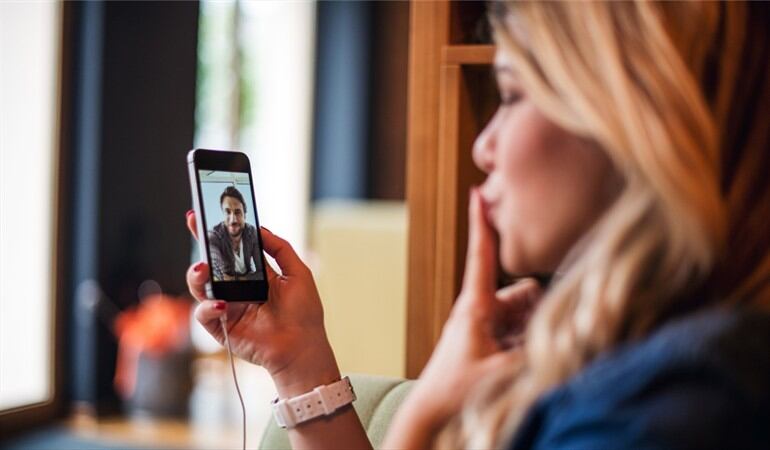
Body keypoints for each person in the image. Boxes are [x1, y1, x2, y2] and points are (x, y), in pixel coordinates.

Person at [185, 1, 770, 448]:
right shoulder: (657, 362)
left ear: (633, 116)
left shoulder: (672, 409)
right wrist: (300, 362)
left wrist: (425, 412)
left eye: (511, 95)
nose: (482, 146)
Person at [207, 186, 263, 281]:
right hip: (228, 288)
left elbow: (262, 273)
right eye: (228, 212)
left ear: (245, 215)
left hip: (250, 285)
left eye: (237, 212)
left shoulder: (252, 232)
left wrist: (235, 279)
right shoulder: (213, 236)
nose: (233, 220)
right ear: (223, 214)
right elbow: (216, 272)